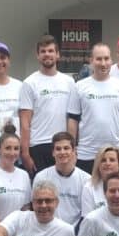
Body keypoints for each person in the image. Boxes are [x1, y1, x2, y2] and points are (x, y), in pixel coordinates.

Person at [68, 43, 119, 173]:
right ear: (91, 61)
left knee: (115, 192)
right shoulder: (79, 87)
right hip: (86, 154)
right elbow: (72, 121)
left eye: (106, 58)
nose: (103, 63)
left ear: (111, 60)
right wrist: (72, 149)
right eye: (98, 59)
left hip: (115, 153)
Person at [19, 34, 76, 173]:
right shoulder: (29, 83)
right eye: (43, 51)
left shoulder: (69, 82)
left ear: (58, 55)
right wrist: (25, 154)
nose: (47, 54)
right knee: (42, 192)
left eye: (51, 51)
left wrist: (73, 147)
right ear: (38, 56)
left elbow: (72, 118)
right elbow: (25, 123)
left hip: (63, 146)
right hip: (38, 146)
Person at [34, 131, 90, 227]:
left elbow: (86, 215)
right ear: (53, 152)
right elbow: (36, 208)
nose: (62, 152)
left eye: (66, 148)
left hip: (76, 233)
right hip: (48, 231)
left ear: (74, 151)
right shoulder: (41, 177)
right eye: (58, 149)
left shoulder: (87, 180)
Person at [0, 129, 31, 225]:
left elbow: (25, 207)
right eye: (8, 148)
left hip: (17, 230)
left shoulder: (24, 175)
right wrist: (1, 231)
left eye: (16, 148)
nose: (12, 153)